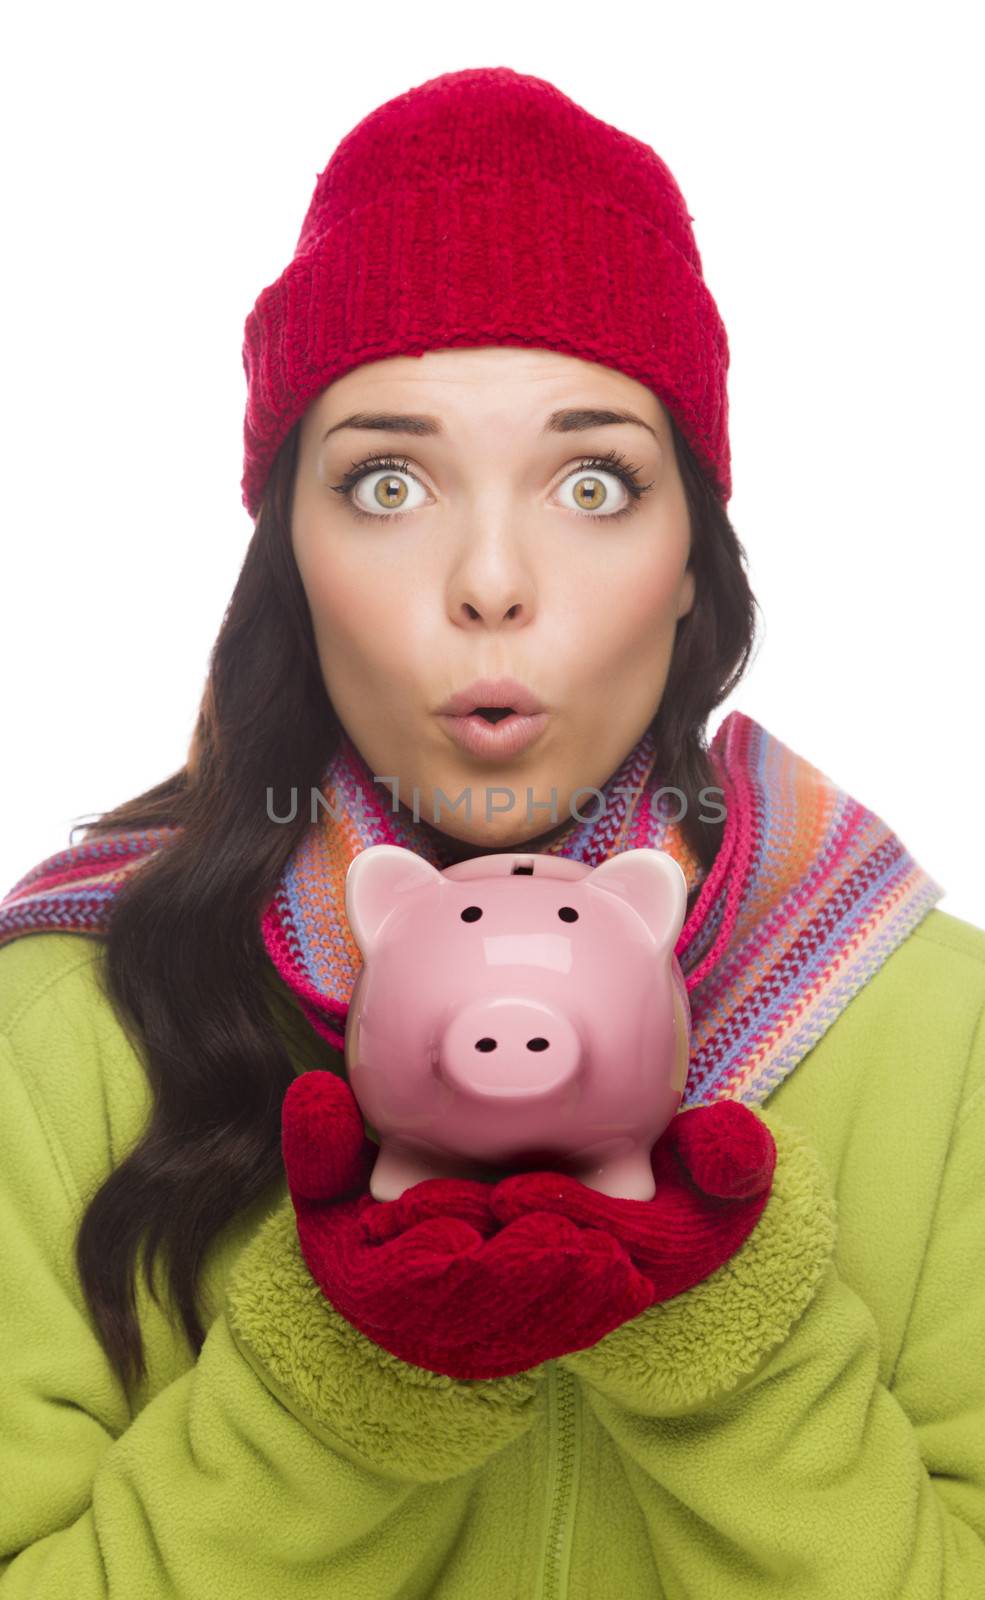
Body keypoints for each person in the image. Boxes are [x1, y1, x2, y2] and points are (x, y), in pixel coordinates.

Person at [1, 63, 983, 1599]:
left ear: (688, 561)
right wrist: (348, 1373)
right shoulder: (61, 1025)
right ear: (289, 559)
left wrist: (722, 1321)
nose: (489, 579)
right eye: (385, 480)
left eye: (593, 479)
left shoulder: (944, 1026)